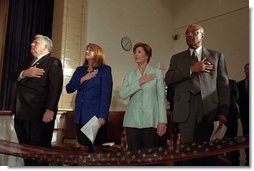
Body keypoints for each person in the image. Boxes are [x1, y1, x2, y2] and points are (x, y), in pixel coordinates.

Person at [165, 24, 230, 165]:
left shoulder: (217, 56)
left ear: (202, 35)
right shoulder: (176, 58)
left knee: (209, 153)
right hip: (185, 111)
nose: (189, 35)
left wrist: (223, 112)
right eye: (187, 33)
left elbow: (223, 87)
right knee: (187, 154)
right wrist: (191, 69)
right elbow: (168, 78)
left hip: (208, 110)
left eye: (194, 32)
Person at [10, 34, 63, 166]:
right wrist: (25, 73)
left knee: (39, 153)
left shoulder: (53, 62)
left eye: (36, 43)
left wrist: (50, 109)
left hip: (39, 115)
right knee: (25, 152)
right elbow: (12, 75)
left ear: (46, 47)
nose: (32, 45)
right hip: (21, 113)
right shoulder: (27, 62)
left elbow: (55, 88)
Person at [119, 42, 167, 151]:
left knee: (150, 156)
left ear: (147, 55)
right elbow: (123, 94)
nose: (136, 54)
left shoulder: (157, 73)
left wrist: (162, 121)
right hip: (132, 121)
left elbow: (161, 98)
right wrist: (140, 82)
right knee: (134, 156)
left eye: (139, 52)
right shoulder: (129, 75)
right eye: (134, 52)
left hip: (151, 120)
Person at [66, 43, 113, 153]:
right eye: (86, 49)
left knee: (95, 149)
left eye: (90, 50)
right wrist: (83, 79)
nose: (87, 51)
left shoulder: (104, 70)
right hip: (80, 116)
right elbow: (69, 88)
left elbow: (106, 94)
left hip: (94, 117)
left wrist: (102, 116)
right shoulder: (80, 70)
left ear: (98, 54)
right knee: (83, 149)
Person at [225, 79, 240, 165]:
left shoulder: (232, 82)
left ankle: (235, 162)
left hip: (232, 115)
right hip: (219, 116)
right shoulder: (213, 83)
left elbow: (236, 96)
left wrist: (225, 103)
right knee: (220, 141)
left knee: (233, 139)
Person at [237, 63, 249, 166]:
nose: (248, 70)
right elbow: (237, 99)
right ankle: (248, 159)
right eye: (246, 69)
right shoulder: (239, 84)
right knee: (246, 137)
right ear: (244, 70)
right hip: (245, 115)